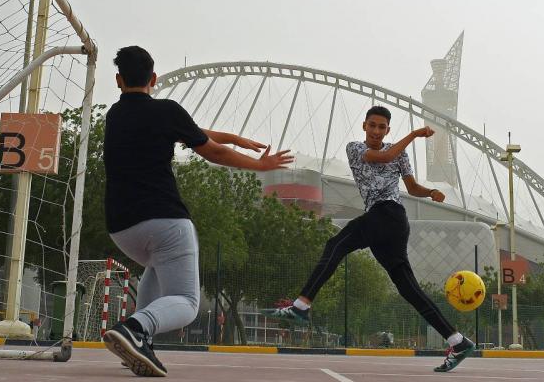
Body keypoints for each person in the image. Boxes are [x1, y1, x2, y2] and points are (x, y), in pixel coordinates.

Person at [102, 46, 294, 377]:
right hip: (164, 221)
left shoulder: (115, 116)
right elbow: (212, 151)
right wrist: (260, 166)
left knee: (156, 269)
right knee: (186, 302)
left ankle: (139, 339)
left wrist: (233, 137)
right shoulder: (166, 111)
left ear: (119, 80)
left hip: (122, 229)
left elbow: (187, 130)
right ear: (154, 78)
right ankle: (135, 328)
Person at [265, 106, 476, 372]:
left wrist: (431, 191)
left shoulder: (400, 152)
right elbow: (383, 155)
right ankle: (457, 341)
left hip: (391, 216)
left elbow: (411, 188)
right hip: (382, 219)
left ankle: (300, 306)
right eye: (372, 125)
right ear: (365, 126)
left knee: (335, 245)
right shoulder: (355, 148)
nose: (376, 131)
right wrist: (414, 133)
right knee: (408, 288)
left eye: (382, 127)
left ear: (388, 129)